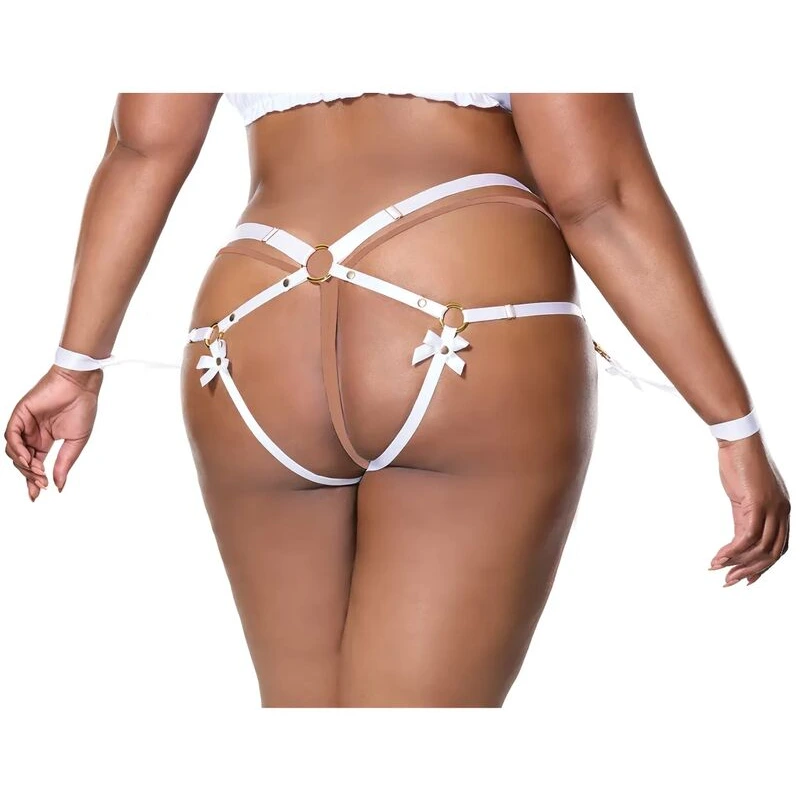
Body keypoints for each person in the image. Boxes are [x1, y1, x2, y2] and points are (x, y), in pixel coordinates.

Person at [3, 92, 791, 707]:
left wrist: (76, 366)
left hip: (250, 334)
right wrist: (734, 424)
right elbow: (597, 196)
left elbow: (143, 147)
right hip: (466, 319)